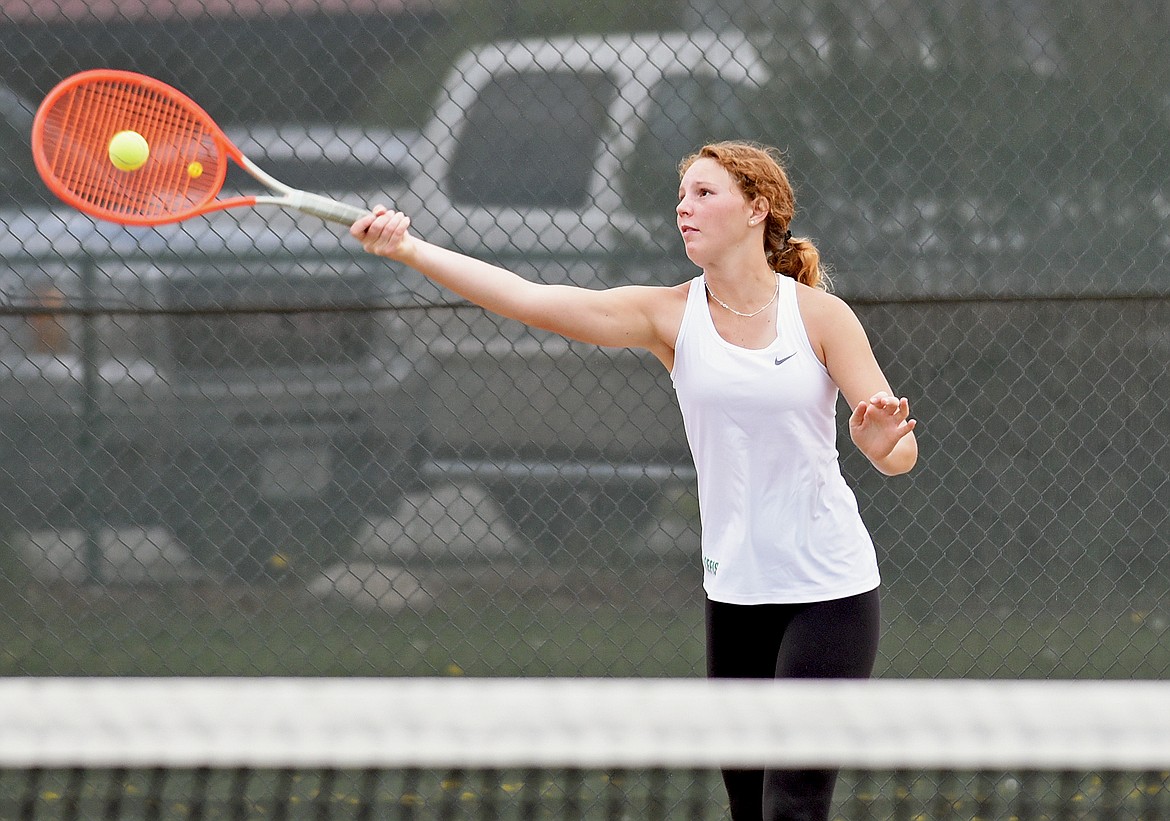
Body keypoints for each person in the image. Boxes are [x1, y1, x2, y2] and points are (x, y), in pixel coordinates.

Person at [352, 140, 917, 821]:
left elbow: (897, 452)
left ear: (757, 208)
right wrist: (410, 249)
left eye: (705, 193)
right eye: (681, 195)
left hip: (830, 591)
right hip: (734, 593)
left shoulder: (823, 318)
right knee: (748, 806)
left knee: (793, 804)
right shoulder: (668, 317)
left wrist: (882, 443)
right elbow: (529, 298)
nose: (685, 207)